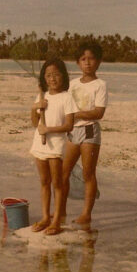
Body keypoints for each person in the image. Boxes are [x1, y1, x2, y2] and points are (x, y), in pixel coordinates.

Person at [61, 41, 108, 229]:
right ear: (78, 63)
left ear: (98, 62)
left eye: (91, 59)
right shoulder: (71, 84)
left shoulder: (100, 85)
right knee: (64, 173)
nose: (87, 63)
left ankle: (86, 214)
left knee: (88, 173)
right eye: (83, 59)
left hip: (90, 131)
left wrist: (77, 114)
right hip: (73, 132)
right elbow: (64, 105)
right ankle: (61, 211)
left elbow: (98, 113)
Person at [30, 58, 78, 236]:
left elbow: (69, 125)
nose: (52, 79)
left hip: (56, 145)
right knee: (44, 182)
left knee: (57, 183)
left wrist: (49, 129)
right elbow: (35, 123)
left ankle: (57, 219)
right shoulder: (42, 96)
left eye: (56, 75)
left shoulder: (67, 98)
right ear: (44, 78)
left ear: (63, 76)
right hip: (39, 144)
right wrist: (35, 107)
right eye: (48, 75)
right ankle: (45, 217)